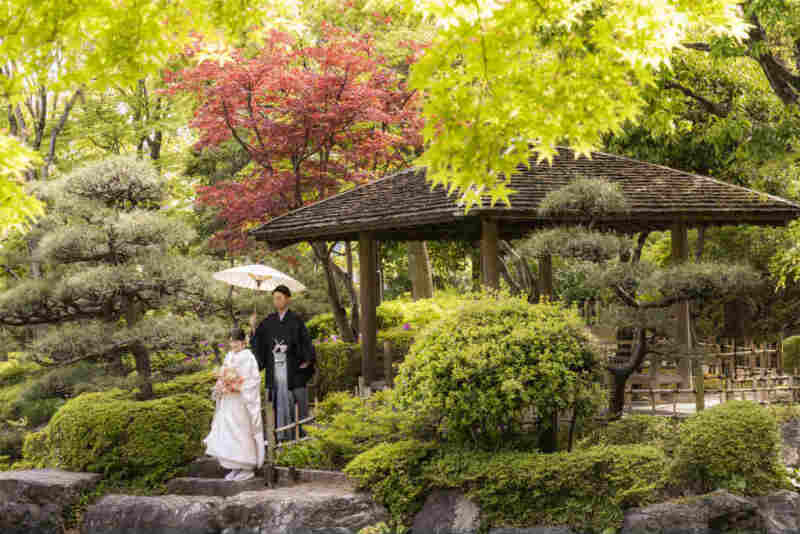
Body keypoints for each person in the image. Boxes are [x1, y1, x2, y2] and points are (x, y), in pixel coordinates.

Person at [250, 285, 315, 441]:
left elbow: (306, 343)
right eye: (274, 298)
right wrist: (253, 326)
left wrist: (302, 357)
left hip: (293, 370)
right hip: (276, 370)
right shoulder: (269, 321)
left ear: (288, 299)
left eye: (279, 298)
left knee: (298, 407)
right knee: (278, 406)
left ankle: (302, 438)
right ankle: (281, 438)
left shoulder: (296, 320)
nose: (276, 301)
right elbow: (258, 342)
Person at [203, 327, 264, 481]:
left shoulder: (248, 356)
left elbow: (253, 379)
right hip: (229, 399)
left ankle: (247, 466)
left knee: (240, 430)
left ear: (243, 342)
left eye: (236, 341)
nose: (233, 345)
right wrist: (221, 384)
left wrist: (238, 385)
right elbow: (224, 373)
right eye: (231, 341)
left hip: (241, 399)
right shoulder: (229, 355)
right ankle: (235, 466)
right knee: (228, 430)